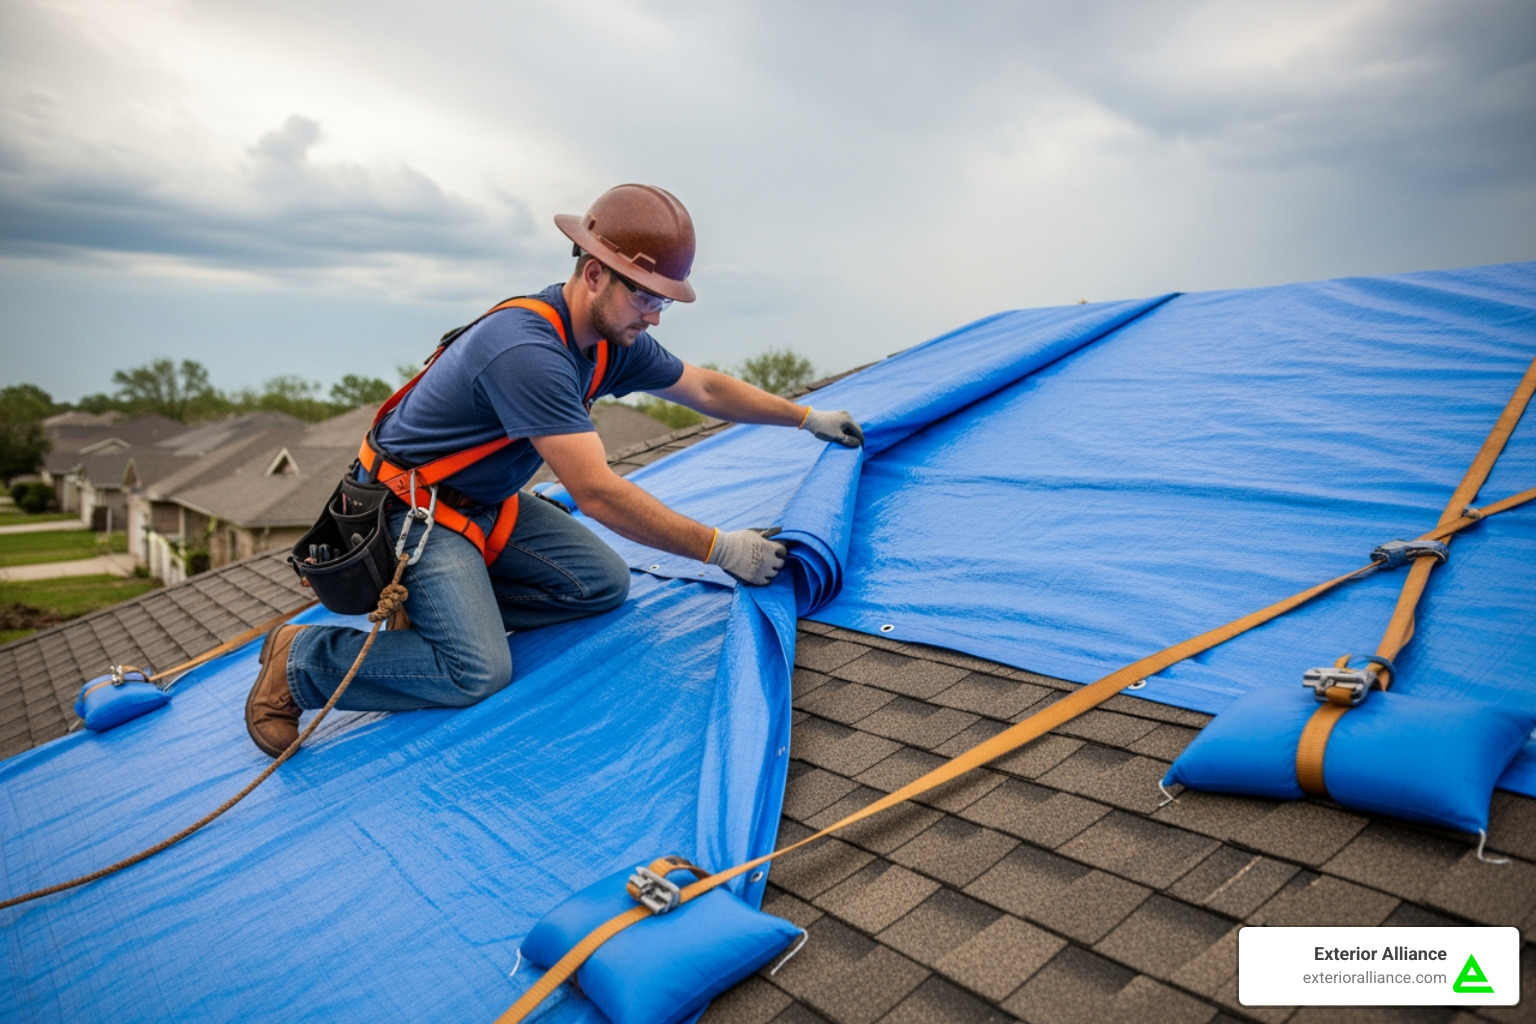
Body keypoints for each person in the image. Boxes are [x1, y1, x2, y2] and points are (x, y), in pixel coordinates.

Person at [245, 184, 864, 757]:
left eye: (663, 302)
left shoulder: (604, 341)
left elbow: (702, 386)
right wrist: (720, 549)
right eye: (646, 296)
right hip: (416, 513)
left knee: (600, 585)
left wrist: (804, 417)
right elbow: (596, 492)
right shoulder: (528, 351)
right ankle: (300, 662)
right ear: (595, 274)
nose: (653, 316)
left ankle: (453, 613)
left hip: (485, 504)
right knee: (477, 671)